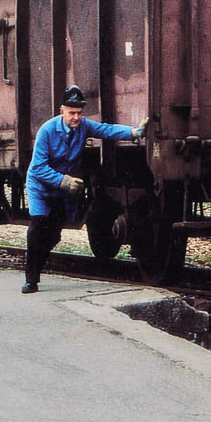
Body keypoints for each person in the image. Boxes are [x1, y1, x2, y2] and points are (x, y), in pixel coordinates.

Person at [21, 85, 147, 293]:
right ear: (62, 111)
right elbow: (37, 168)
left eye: (80, 113)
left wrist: (134, 132)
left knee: (53, 235)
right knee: (38, 229)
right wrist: (64, 181)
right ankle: (31, 280)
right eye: (72, 113)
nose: (76, 118)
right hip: (41, 189)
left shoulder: (84, 126)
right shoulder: (47, 130)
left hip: (61, 191)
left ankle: (36, 258)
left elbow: (106, 130)